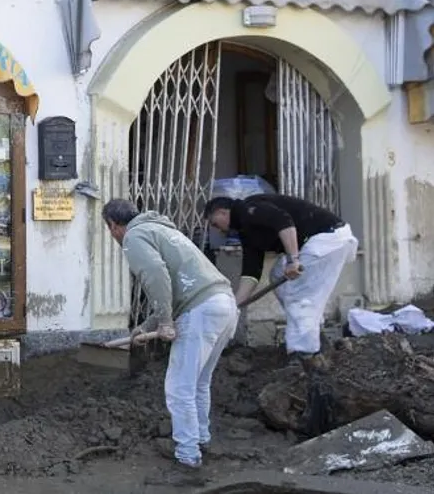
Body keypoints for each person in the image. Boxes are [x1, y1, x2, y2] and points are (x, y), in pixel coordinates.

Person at [101, 199, 238, 473]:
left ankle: (188, 456)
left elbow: (156, 276)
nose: (113, 235)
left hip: (200, 310)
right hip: (223, 304)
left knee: (179, 389)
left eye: (110, 229)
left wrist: (165, 322)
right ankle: (201, 439)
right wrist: (145, 326)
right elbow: (173, 290)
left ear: (114, 225)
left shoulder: (135, 236)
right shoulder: (160, 230)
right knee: (198, 383)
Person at [204, 193, 358, 357]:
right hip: (320, 241)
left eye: (214, 223)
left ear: (222, 212)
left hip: (326, 239)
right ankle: (312, 332)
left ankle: (305, 354)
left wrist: (293, 260)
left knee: (298, 296)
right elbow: (251, 273)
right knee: (279, 276)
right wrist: (235, 306)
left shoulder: (248, 209)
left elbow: (284, 221)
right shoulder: (246, 231)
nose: (216, 229)